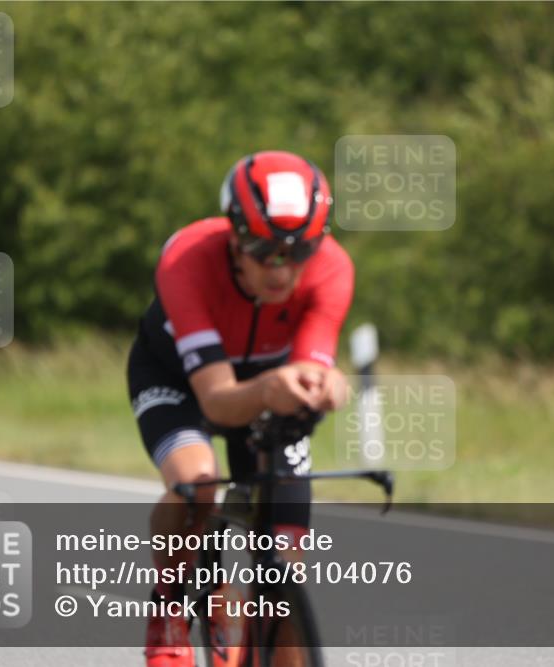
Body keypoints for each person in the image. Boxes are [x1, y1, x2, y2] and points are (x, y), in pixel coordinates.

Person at [127, 150, 354, 667]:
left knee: (285, 557)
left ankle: (261, 639)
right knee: (197, 484)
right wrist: (275, 386)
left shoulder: (333, 270)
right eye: (263, 248)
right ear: (233, 234)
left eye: (301, 251)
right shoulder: (186, 259)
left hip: (265, 389)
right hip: (181, 382)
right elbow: (217, 401)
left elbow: (309, 373)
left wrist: (327, 386)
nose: (282, 269)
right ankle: (169, 614)